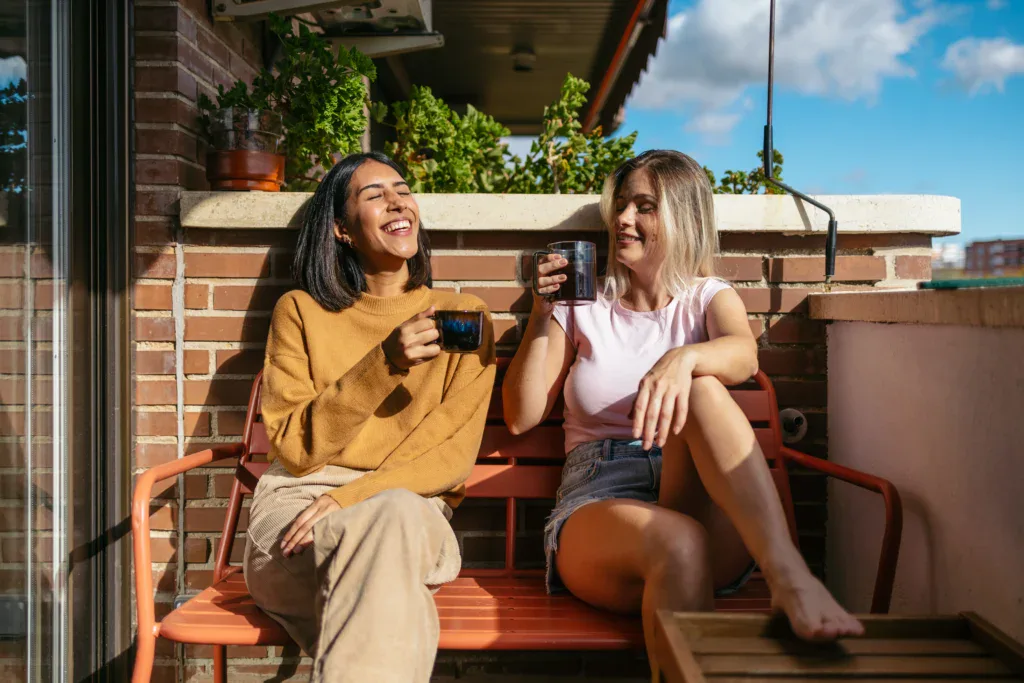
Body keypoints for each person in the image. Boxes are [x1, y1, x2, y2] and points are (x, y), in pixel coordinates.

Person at [502, 150, 863, 659]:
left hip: (698, 489)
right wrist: (543, 314)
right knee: (678, 544)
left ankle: (788, 577)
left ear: (681, 216)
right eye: (621, 205)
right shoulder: (584, 305)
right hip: (601, 503)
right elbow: (521, 416)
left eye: (644, 206)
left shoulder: (707, 297)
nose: (623, 219)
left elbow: (742, 355)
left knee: (701, 389)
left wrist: (684, 358)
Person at [243, 152, 497, 683]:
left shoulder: (462, 317)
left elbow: (450, 456)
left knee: (394, 518)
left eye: (402, 189)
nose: (397, 201)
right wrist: (385, 362)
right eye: (374, 195)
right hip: (300, 506)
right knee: (387, 588)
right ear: (341, 229)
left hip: (410, 508)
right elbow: (293, 447)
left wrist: (351, 498)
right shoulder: (301, 311)